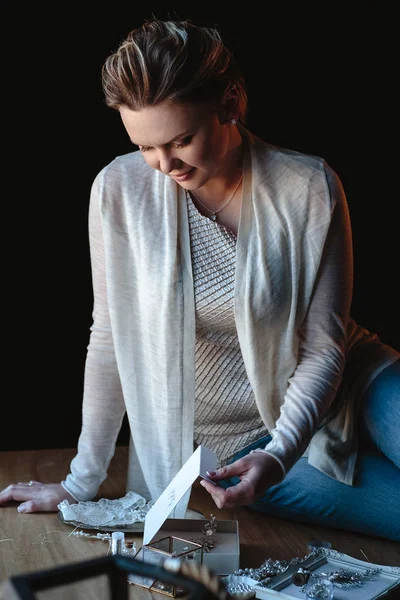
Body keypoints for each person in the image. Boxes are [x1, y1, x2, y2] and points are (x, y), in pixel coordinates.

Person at [1, 18, 399, 541]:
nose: (163, 164)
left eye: (182, 139)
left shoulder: (309, 186)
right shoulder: (119, 193)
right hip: (240, 440)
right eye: (145, 147)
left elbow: (325, 347)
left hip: (354, 381)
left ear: (230, 103)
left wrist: (283, 452)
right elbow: (110, 338)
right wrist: (81, 481)